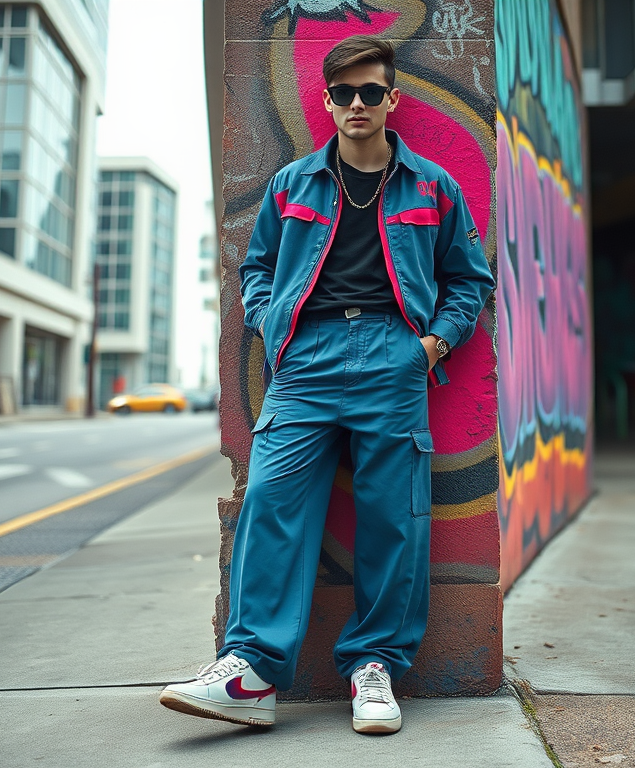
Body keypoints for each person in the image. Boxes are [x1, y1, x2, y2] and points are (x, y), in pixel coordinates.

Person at [160, 35, 494, 735]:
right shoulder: (292, 185)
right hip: (306, 358)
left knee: (392, 520)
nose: (357, 105)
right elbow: (255, 268)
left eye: (371, 92)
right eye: (344, 93)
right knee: (272, 503)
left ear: (392, 99)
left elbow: (469, 281)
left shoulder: (433, 187)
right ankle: (250, 672)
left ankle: (373, 667)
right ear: (328, 102)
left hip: (393, 356)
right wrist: (270, 318)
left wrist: (428, 345)